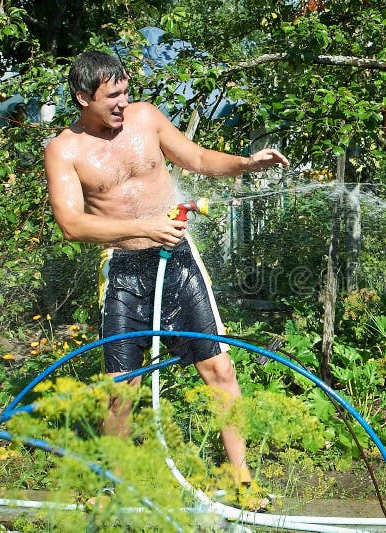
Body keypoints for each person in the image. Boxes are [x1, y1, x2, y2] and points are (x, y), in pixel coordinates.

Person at [44, 50, 288, 509]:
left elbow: (194, 157)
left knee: (219, 369)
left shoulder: (146, 119)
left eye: (125, 93)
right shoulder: (64, 150)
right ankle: (108, 487)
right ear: (82, 98)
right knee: (121, 388)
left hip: (178, 262)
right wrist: (143, 228)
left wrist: (246, 164)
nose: (122, 104)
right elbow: (72, 225)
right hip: (123, 271)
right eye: (111, 96)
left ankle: (243, 483)